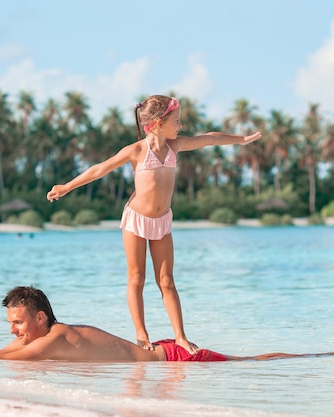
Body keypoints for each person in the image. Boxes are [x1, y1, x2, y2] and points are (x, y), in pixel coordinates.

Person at [46, 95, 262, 354]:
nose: (180, 126)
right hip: (136, 220)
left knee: (167, 281)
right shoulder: (136, 151)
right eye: (177, 121)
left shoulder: (176, 146)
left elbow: (211, 138)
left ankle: (180, 336)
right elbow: (99, 169)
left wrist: (242, 140)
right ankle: (141, 334)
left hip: (162, 221)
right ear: (159, 123)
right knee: (137, 278)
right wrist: (67, 187)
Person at [0, 286, 334, 362]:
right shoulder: (44, 337)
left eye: (17, 322)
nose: (12, 330)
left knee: (248, 362)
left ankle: (312, 355)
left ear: (40, 318)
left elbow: (11, 357)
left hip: (176, 358)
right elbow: (10, 350)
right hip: (159, 353)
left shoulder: (58, 336)